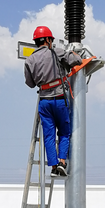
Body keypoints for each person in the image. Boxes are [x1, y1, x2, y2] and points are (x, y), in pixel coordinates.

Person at [24, 26, 82, 177]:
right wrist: (73, 53)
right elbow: (77, 60)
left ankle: (54, 167)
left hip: (44, 101)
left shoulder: (29, 60)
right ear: (48, 40)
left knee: (49, 136)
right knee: (64, 133)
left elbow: (30, 84)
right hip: (59, 99)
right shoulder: (56, 52)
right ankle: (62, 162)